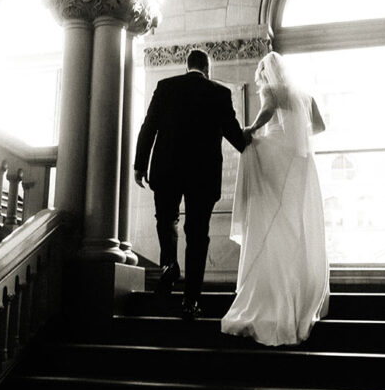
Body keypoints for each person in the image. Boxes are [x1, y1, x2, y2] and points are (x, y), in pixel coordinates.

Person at [220, 51, 329, 346]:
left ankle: (271, 300)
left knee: (271, 222)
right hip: (301, 163)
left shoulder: (272, 89)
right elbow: (319, 127)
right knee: (293, 225)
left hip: (278, 158)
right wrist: (297, 135)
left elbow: (267, 111)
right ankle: (295, 299)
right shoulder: (304, 94)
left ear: (266, 73)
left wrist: (251, 130)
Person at [134, 48, 250, 319]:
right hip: (203, 175)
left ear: (187, 67)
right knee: (198, 234)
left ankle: (169, 265)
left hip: (167, 170)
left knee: (166, 219)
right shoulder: (220, 93)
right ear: (207, 69)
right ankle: (191, 300)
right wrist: (254, 140)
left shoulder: (165, 87)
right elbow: (235, 136)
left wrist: (140, 165)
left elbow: (148, 126)